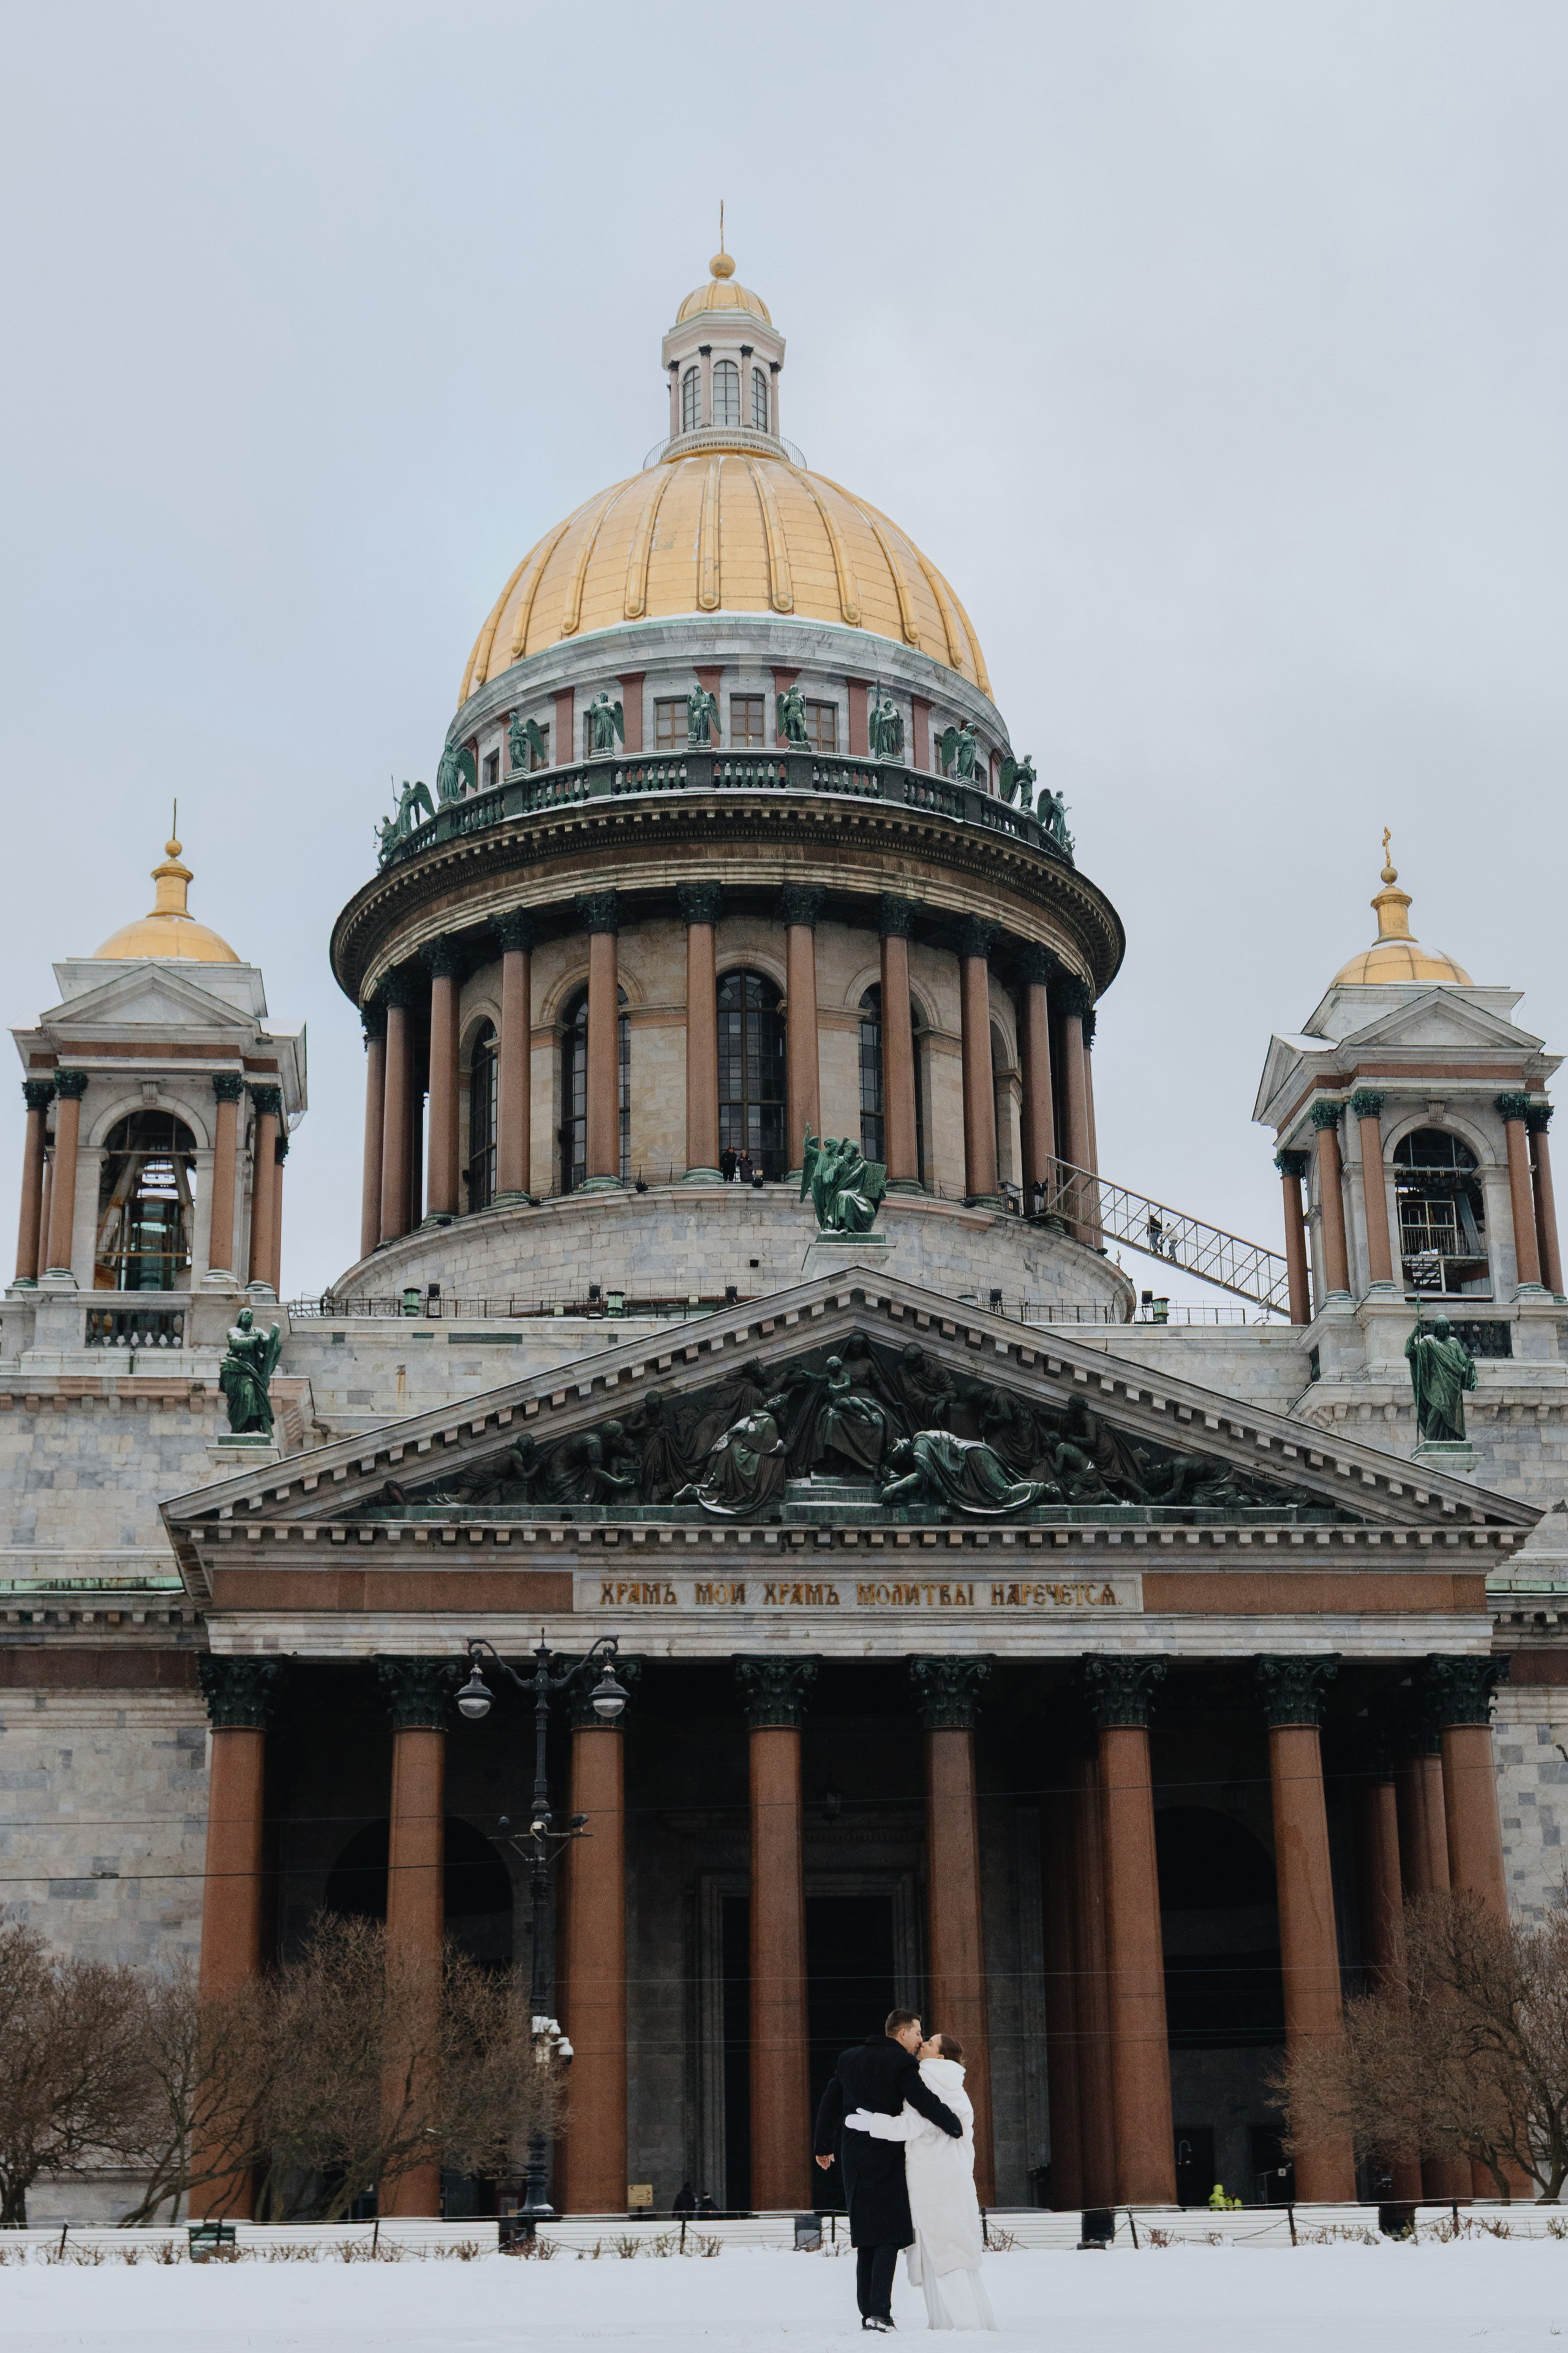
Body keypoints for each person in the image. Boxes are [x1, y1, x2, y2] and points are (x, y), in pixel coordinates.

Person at [813, 2009, 962, 2333]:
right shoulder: (902, 2063)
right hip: (885, 2157)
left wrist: (823, 2146)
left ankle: (868, 2312)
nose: (921, 2039)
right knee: (889, 2236)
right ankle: (880, 2312)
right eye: (919, 2033)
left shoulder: (849, 2058)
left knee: (866, 2236)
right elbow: (922, 2100)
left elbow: (830, 2101)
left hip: (853, 2156)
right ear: (903, 2033)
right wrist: (952, 2124)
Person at [844, 2033, 996, 2333]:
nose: (922, 2043)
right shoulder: (954, 2080)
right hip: (951, 2175)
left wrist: (873, 2123)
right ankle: (962, 2320)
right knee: (950, 2250)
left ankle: (960, 2323)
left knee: (939, 2253)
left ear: (939, 2056)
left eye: (930, 2043)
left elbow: (913, 2125)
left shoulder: (927, 2076)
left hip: (931, 2178)